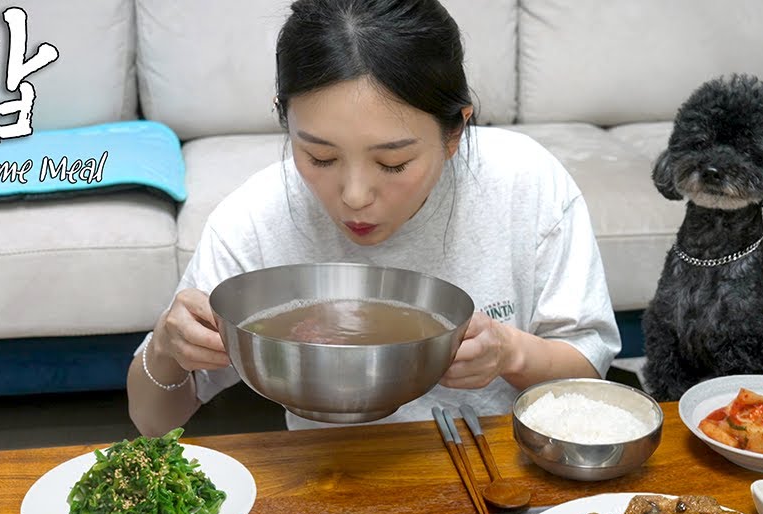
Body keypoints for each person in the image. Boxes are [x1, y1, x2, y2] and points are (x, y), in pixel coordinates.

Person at [128, 0, 620, 436]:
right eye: (320, 157)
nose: (355, 197)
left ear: (455, 133)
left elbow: (587, 373)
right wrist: (168, 349)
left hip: (499, 481)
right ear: (285, 119)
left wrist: (510, 352)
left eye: (393, 163)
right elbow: (153, 420)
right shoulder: (255, 219)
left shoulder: (525, 183)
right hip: (330, 499)